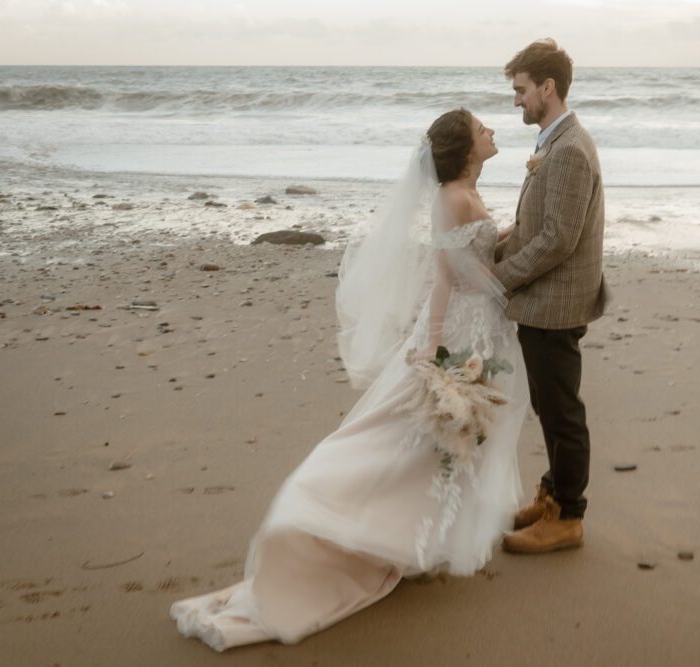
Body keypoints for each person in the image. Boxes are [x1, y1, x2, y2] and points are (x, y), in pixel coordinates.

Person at [170, 108, 528, 651]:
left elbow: (472, 255)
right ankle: (318, 515)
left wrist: (509, 234)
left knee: (446, 443)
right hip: (458, 331)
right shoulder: (453, 198)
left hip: (479, 331)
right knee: (413, 436)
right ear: (465, 146)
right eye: (482, 128)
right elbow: (445, 279)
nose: (492, 131)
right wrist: (430, 350)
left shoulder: (465, 193)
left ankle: (417, 541)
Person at [494, 39, 607, 554]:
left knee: (561, 410)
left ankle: (568, 517)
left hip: (555, 303)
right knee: (548, 403)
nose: (516, 100)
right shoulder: (554, 144)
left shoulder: (570, 151)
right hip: (547, 300)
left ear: (548, 87)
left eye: (521, 90)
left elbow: (559, 239)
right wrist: (504, 240)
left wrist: (503, 277)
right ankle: (554, 494)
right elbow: (540, 223)